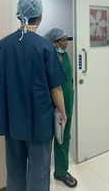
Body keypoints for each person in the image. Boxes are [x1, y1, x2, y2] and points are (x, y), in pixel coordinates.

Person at [0, 0, 67, 191]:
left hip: (13, 119)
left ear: (19, 15)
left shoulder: (2, 46)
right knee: (39, 171)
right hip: (39, 122)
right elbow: (56, 88)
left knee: (14, 169)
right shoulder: (45, 47)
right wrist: (63, 115)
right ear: (40, 17)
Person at [44, 27, 78, 188]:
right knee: (43, 142)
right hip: (49, 105)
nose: (66, 43)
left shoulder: (64, 56)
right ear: (54, 42)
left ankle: (61, 172)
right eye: (63, 40)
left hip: (66, 104)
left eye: (66, 39)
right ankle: (40, 177)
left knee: (63, 138)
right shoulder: (46, 57)